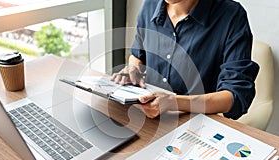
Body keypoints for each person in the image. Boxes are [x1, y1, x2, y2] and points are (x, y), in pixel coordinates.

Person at [111, 0, 259, 119]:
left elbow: (235, 96)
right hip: (146, 117)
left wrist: (174, 102)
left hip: (197, 123)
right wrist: (134, 68)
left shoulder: (231, 15)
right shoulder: (150, 5)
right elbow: (138, 53)